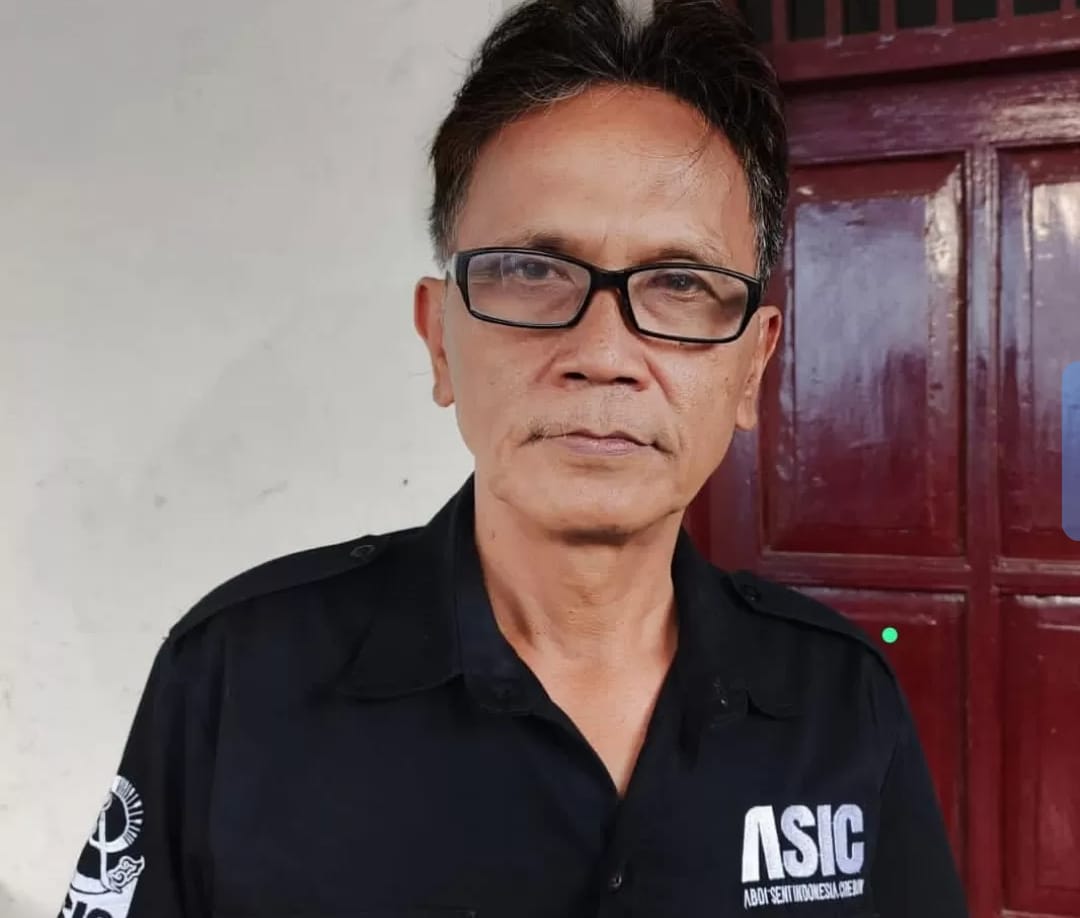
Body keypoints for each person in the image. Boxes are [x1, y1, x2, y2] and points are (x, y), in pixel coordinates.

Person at [60, 1, 968, 915]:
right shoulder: (237, 679)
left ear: (750, 369)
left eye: (681, 282)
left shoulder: (840, 702)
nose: (603, 354)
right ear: (440, 341)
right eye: (532, 272)